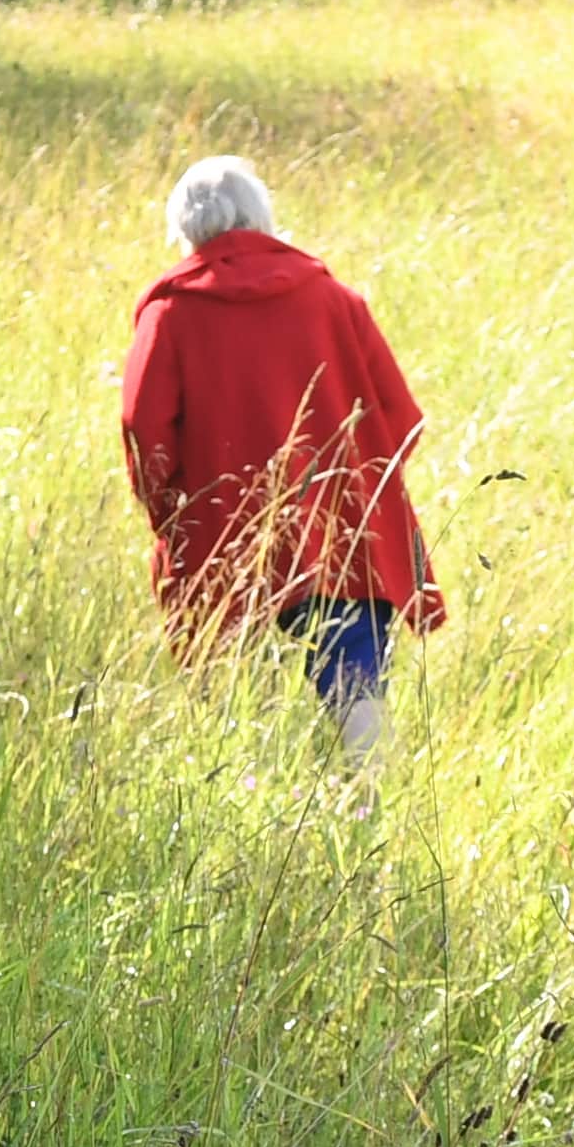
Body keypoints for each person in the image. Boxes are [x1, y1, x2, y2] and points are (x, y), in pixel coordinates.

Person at [118, 154, 444, 760]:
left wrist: (174, 517)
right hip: (341, 532)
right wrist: (353, 490)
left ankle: (253, 797)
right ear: (262, 216)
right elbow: (399, 420)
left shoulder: (170, 314)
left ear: (184, 229)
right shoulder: (333, 299)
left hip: (221, 541)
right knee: (357, 691)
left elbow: (144, 431)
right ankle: (371, 802)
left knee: (236, 706)